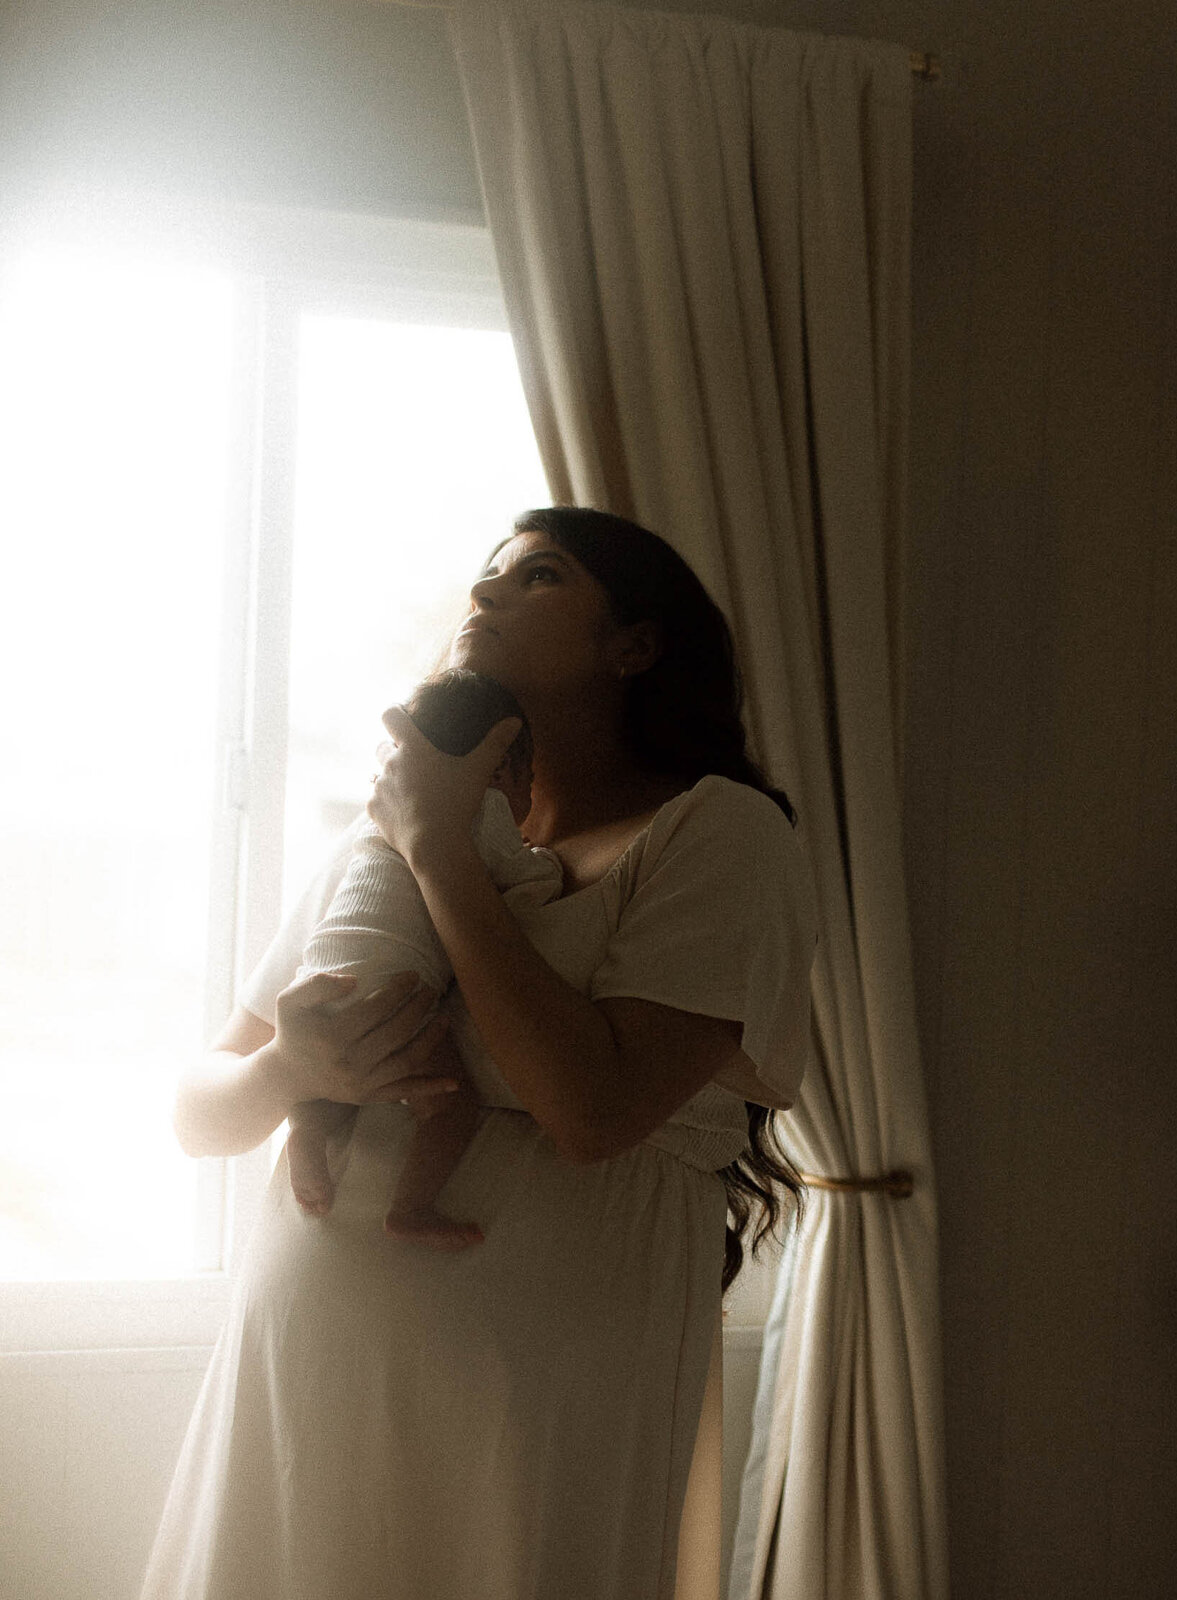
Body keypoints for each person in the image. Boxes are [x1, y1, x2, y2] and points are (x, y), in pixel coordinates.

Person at [141, 506, 818, 1600]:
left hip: (536, 1401)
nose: (486, 594)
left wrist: (442, 850)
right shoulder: (386, 842)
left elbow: (592, 1110)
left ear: (634, 645)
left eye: (537, 576)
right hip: (313, 1370)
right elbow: (196, 1111)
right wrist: (287, 1071)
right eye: (484, 575)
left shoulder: (717, 834)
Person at [285, 667, 562, 1249]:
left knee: (330, 1083)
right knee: (450, 1106)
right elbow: (521, 880)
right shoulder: (467, 812)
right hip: (394, 989)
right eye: (528, 781)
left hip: (321, 978)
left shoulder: (378, 819)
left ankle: (307, 1131)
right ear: (505, 767)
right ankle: (412, 1206)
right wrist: (549, 864)